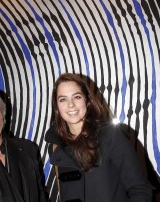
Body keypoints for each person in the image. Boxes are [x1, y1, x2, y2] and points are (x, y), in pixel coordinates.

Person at [45, 73, 152, 202]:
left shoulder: (111, 136)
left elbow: (140, 190)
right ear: (57, 106)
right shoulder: (55, 145)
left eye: (77, 97)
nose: (71, 104)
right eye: (63, 99)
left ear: (87, 101)